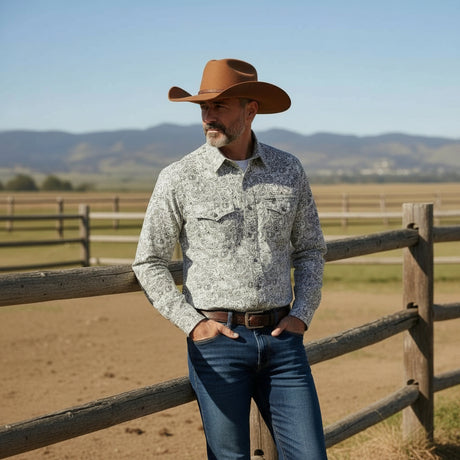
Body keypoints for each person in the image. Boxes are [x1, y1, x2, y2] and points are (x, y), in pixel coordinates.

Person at [133, 58, 328, 460]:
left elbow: (310, 249)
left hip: (283, 341)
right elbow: (148, 261)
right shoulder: (179, 177)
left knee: (310, 455)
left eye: (219, 106)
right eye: (204, 108)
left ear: (250, 110)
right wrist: (193, 324)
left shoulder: (288, 168)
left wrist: (302, 314)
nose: (209, 116)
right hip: (218, 344)